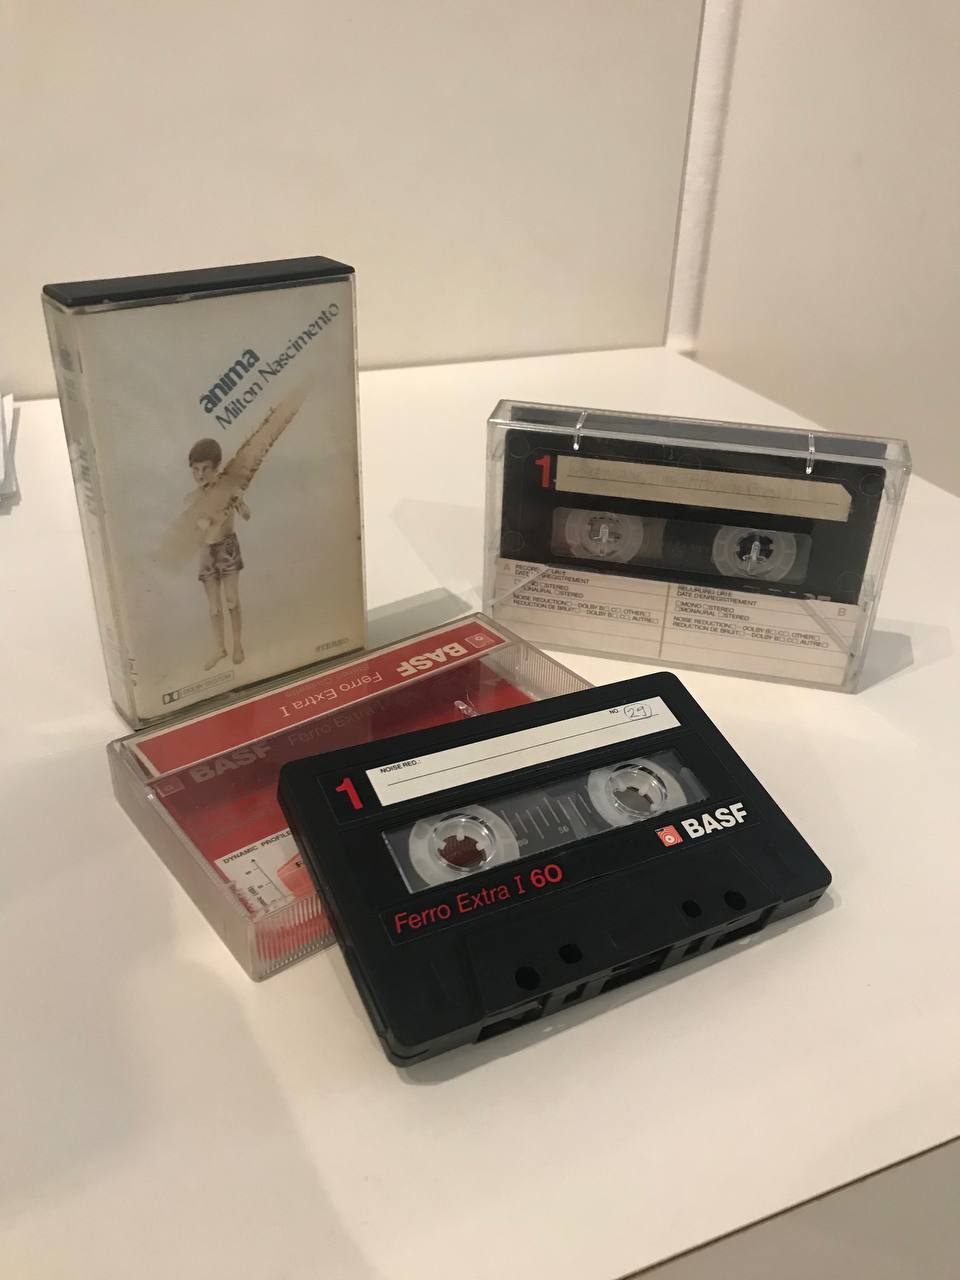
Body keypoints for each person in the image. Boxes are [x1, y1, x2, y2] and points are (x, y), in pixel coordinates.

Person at [187, 437, 250, 669]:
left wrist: (240, 503)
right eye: (195, 469)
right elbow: (191, 531)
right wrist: (199, 524)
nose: (200, 474)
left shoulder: (228, 490)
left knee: (232, 601)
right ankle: (219, 649)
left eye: (205, 468)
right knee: (214, 607)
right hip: (206, 552)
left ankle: (237, 644)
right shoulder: (193, 498)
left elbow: (247, 515)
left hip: (227, 547)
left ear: (216, 467)